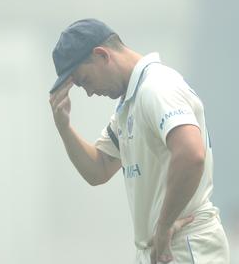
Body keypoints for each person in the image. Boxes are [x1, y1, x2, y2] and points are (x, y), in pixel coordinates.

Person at [48, 19, 229, 264]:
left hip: (184, 245)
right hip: (162, 247)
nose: (89, 92)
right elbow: (98, 169)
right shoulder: (130, 101)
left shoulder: (156, 87)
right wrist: (64, 128)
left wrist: (163, 226)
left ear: (101, 55)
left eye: (85, 81)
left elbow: (190, 155)